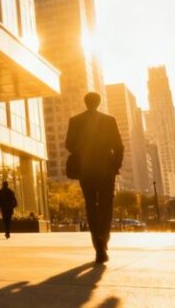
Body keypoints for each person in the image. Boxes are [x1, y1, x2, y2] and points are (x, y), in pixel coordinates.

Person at [65, 92, 123, 264]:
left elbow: (69, 144)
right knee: (106, 205)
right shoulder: (108, 120)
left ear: (85, 102)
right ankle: (103, 240)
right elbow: (119, 146)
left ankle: (97, 243)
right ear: (99, 102)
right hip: (106, 168)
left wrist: (81, 151)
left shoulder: (75, 121)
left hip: (86, 168)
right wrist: (116, 164)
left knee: (91, 204)